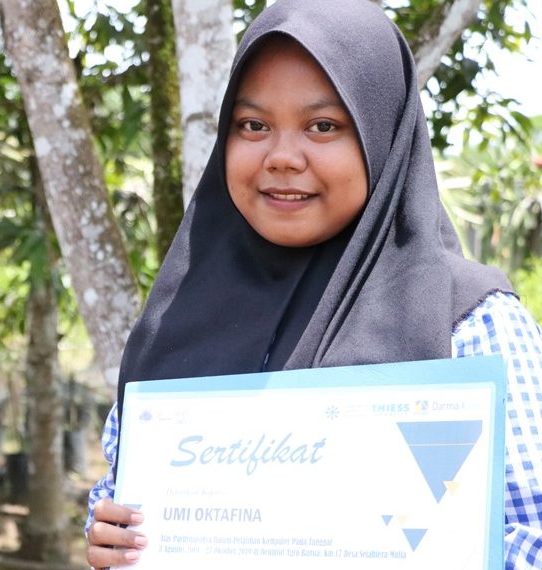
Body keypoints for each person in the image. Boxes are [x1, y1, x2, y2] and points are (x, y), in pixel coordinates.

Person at [84, 0, 542, 568]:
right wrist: (108, 536)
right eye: (253, 126)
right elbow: (119, 496)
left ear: (381, 136)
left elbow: (531, 535)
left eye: (323, 126)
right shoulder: (173, 323)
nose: (281, 157)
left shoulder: (472, 323)